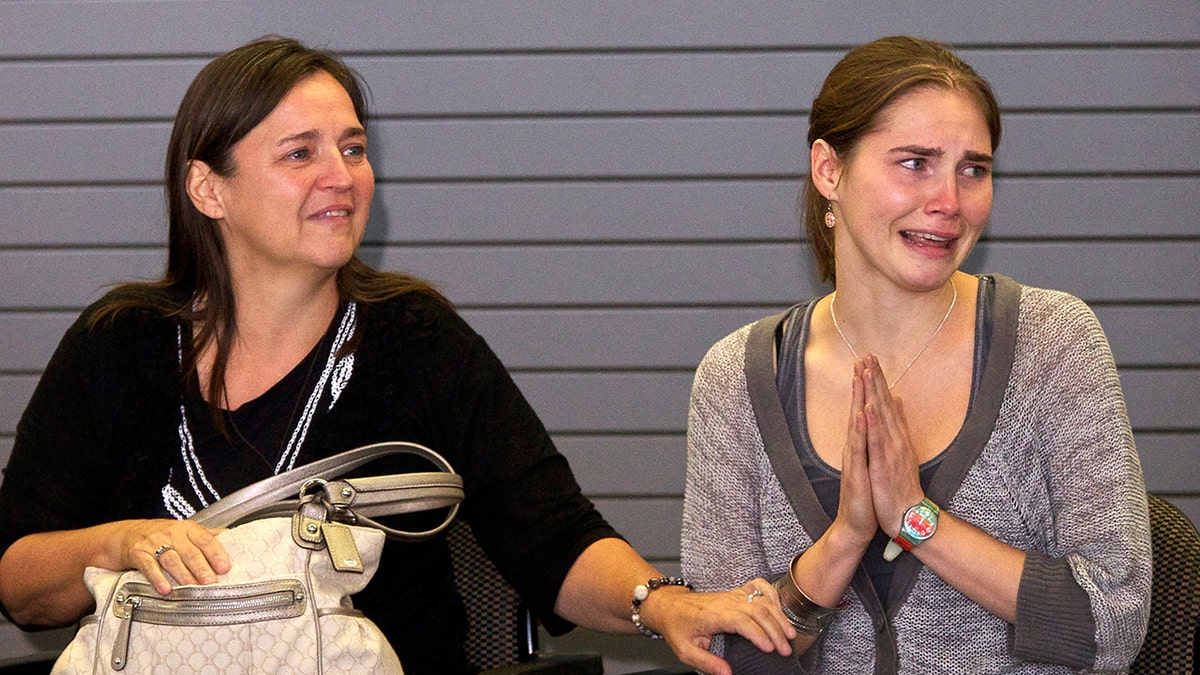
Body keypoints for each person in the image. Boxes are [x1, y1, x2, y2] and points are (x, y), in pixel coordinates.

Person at [0, 36, 796, 675]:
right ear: (209, 189)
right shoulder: (119, 344)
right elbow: (18, 583)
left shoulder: (417, 341)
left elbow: (551, 536)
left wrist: (661, 602)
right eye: (300, 154)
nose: (341, 177)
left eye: (352, 149)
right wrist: (114, 544)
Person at [681, 36, 1152, 673]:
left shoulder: (1050, 343)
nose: (950, 202)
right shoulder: (738, 379)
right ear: (829, 170)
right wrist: (844, 540)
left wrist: (916, 519)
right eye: (915, 163)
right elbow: (726, 656)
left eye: (973, 170)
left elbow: (1112, 625)